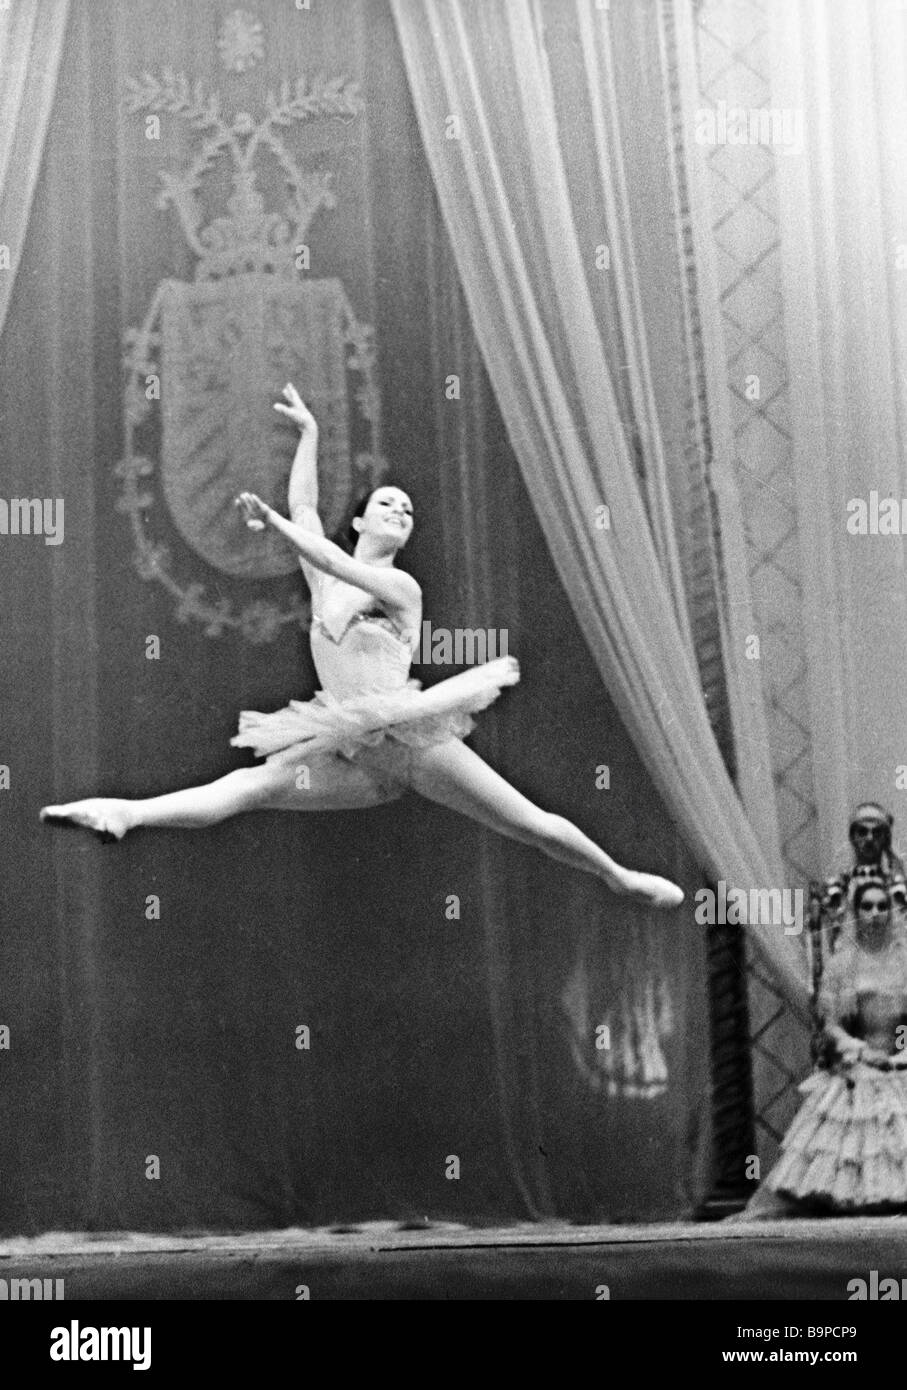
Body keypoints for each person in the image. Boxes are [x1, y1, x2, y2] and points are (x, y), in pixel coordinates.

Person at [41, 385, 684, 911]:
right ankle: (126, 811)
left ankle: (617, 875)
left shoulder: (398, 586)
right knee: (251, 784)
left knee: (529, 825)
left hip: (411, 745)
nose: (400, 509)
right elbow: (307, 510)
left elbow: (314, 544)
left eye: (407, 508)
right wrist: (311, 435)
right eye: (386, 502)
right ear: (361, 520)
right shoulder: (326, 570)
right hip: (348, 754)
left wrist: (279, 526)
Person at [765, 875, 907, 1211]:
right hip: (858, 1061)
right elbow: (828, 1024)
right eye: (866, 906)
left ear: (891, 911)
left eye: (882, 906)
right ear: (856, 912)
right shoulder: (842, 965)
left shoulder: (904, 962)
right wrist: (859, 1051)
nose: (875, 913)